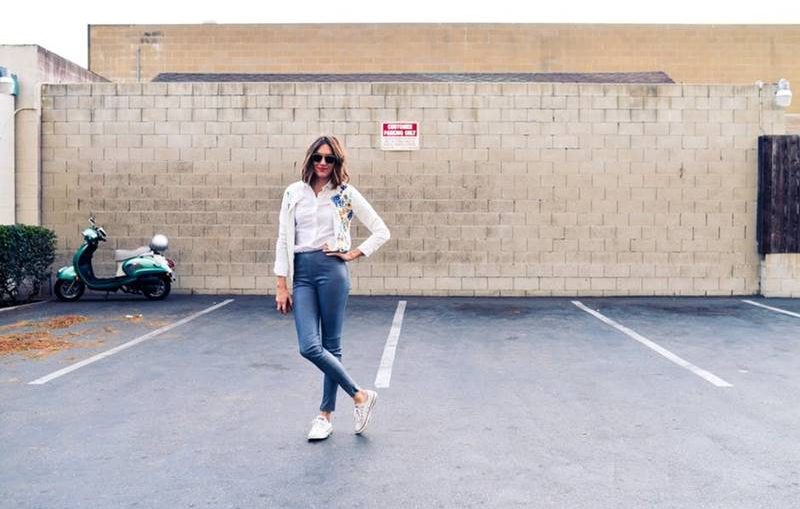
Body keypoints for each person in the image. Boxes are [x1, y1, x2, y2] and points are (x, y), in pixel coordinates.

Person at [273, 135, 390, 441]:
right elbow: (283, 238)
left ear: (337, 162)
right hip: (301, 273)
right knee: (309, 346)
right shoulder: (293, 193)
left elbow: (381, 231)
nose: (323, 163)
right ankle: (360, 395)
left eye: (330, 158)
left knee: (332, 345)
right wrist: (281, 284)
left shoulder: (345, 193)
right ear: (309, 159)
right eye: (318, 157)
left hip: (331, 271)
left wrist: (352, 253)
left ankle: (325, 416)